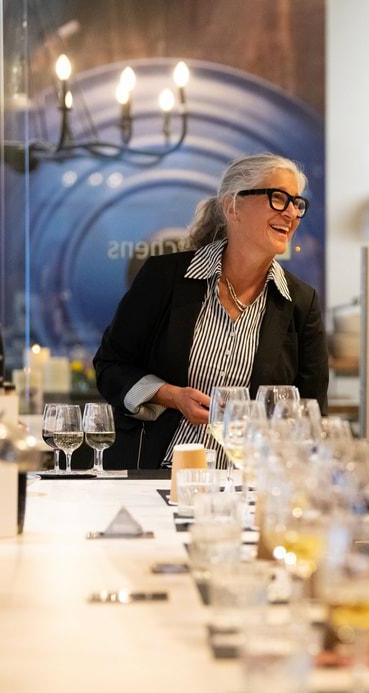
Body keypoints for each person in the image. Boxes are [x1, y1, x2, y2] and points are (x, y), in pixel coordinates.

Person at [94, 154, 328, 469]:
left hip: (249, 486)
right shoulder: (165, 277)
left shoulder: (300, 302)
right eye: (278, 198)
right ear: (233, 207)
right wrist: (171, 395)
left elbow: (311, 415)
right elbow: (111, 366)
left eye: (297, 203)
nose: (291, 213)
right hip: (160, 473)